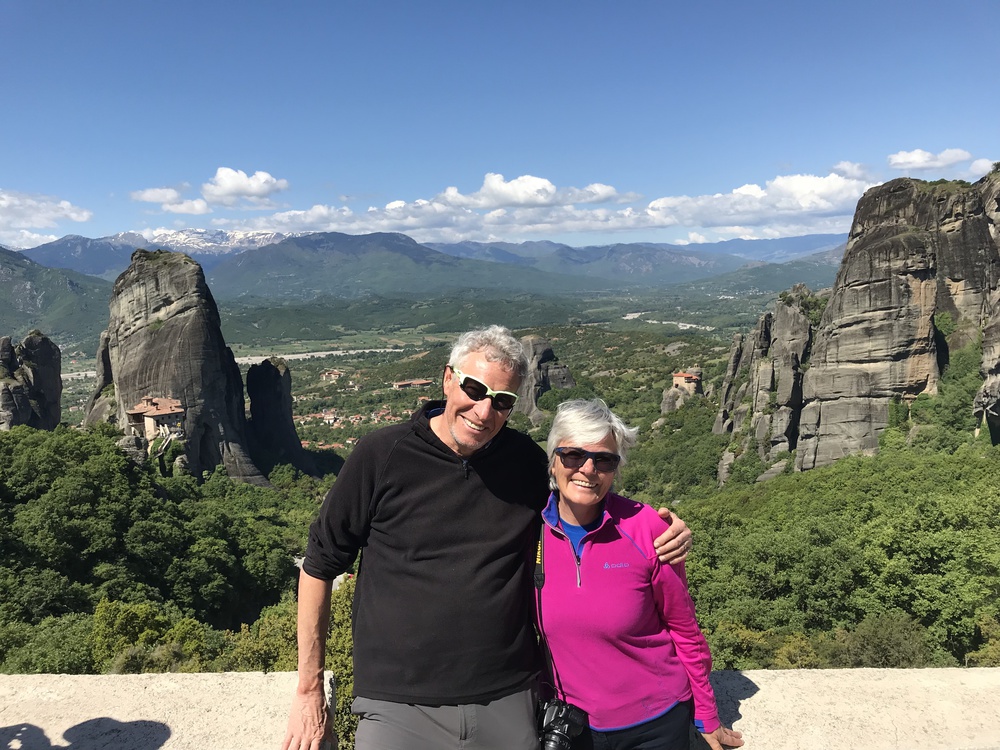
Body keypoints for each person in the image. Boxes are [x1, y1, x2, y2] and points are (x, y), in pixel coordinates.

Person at [282, 326, 693, 750]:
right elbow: (319, 566)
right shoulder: (381, 455)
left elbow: (580, 501)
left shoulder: (524, 462)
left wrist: (656, 525)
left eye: (502, 401)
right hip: (399, 699)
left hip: (507, 694)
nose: (483, 410)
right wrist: (308, 688)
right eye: (474, 389)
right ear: (447, 379)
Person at [537, 398, 743, 750]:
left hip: (655, 722)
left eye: (604, 460)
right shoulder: (530, 532)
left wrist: (707, 716)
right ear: (554, 460)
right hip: (572, 726)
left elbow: (684, 627)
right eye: (573, 455)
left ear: (615, 469)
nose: (588, 469)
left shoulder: (646, 527)